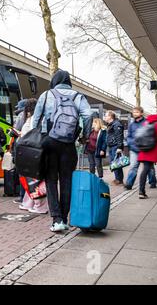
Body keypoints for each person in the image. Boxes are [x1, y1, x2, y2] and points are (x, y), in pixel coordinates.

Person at [31, 70, 92, 232]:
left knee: (51, 180)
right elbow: (88, 115)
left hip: (48, 142)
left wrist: (34, 138)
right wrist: (85, 136)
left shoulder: (46, 95)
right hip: (68, 144)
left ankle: (56, 219)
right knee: (67, 181)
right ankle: (65, 218)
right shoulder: (78, 96)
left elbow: (35, 119)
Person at [17, 98, 48, 214]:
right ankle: (29, 202)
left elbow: (28, 135)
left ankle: (40, 206)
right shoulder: (41, 119)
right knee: (31, 179)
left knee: (35, 180)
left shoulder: (33, 120)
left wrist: (20, 135)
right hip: (35, 152)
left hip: (31, 152)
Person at [125, 107, 157, 190]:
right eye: (133, 112)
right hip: (134, 149)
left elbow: (151, 135)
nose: (134, 113)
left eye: (136, 112)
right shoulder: (131, 124)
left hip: (146, 149)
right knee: (133, 166)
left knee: (149, 167)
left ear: (141, 113)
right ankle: (129, 184)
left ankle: (152, 181)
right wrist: (132, 144)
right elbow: (129, 137)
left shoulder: (147, 122)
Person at [104, 110, 125, 185]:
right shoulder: (110, 124)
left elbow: (119, 136)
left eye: (106, 116)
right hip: (111, 146)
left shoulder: (116, 124)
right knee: (115, 163)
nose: (105, 117)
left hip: (115, 146)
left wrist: (119, 147)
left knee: (116, 163)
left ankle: (118, 179)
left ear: (110, 116)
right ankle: (119, 179)